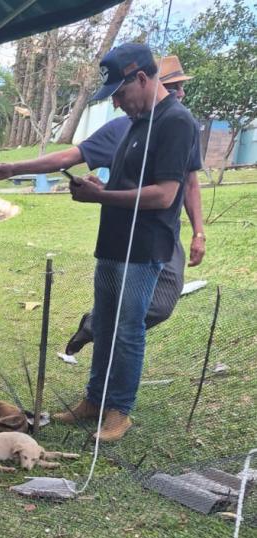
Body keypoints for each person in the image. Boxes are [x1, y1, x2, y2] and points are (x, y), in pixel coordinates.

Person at [0, 55, 206, 356]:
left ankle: (97, 329)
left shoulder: (180, 125)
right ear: (153, 83)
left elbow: (188, 183)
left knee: (157, 307)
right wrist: (14, 168)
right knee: (128, 322)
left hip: (162, 235)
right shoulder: (123, 128)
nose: (180, 95)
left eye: (181, 89)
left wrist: (198, 231)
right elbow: (67, 158)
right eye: (174, 89)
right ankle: (103, 372)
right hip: (122, 238)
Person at [50, 43, 199, 441]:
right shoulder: (139, 120)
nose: (117, 103)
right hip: (113, 243)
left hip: (145, 248)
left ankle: (120, 410)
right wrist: (103, 186)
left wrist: (101, 197)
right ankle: (95, 400)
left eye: (120, 93)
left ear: (143, 79)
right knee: (105, 322)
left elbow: (166, 194)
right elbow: (130, 183)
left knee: (128, 328)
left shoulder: (176, 122)